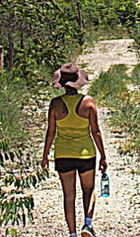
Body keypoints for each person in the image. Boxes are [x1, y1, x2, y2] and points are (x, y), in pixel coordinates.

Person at [41, 62, 108, 237]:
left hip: (63, 155)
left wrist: (45, 155)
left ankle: (72, 233)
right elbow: (96, 132)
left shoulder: (55, 104)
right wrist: (103, 156)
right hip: (86, 154)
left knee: (69, 196)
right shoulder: (88, 102)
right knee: (89, 190)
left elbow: (51, 132)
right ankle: (87, 225)